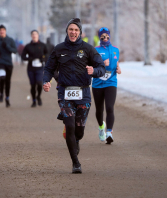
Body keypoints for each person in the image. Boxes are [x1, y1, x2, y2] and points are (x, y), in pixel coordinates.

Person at [43, 18, 105, 173]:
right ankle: (75, 163)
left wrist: (94, 71)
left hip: (83, 93)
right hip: (64, 92)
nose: (73, 32)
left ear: (80, 32)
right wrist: (46, 81)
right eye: (71, 29)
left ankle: (76, 139)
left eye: (76, 30)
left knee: (79, 131)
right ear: (67, 31)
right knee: (70, 126)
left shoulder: (88, 49)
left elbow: (101, 68)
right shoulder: (59, 49)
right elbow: (49, 68)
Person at [92, 27, 121, 145]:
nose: (105, 38)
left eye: (107, 36)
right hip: (98, 83)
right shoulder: (95, 50)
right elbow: (91, 66)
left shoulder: (115, 50)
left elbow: (117, 63)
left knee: (110, 107)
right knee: (99, 110)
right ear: (99, 37)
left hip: (111, 82)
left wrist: (118, 69)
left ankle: (109, 132)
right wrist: (102, 64)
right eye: (103, 36)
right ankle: (101, 127)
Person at [0, 24, 17, 107]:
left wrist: (8, 47)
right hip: (0, 63)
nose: (2, 31)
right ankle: (1, 94)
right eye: (0, 30)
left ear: (5, 31)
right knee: (2, 78)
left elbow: (15, 51)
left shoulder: (10, 40)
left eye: (3, 30)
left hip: (9, 63)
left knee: (8, 81)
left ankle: (7, 98)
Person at [21, 30, 47, 107]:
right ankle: (34, 100)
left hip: (39, 68)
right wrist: (29, 59)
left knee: (39, 83)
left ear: (38, 35)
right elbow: (23, 56)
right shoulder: (28, 46)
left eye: (36, 34)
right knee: (33, 85)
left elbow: (47, 54)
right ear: (31, 36)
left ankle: (38, 96)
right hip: (31, 69)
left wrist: (44, 59)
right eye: (33, 34)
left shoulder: (42, 45)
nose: (34, 35)